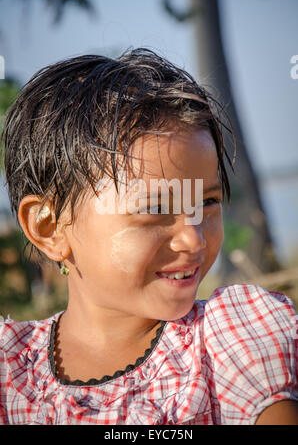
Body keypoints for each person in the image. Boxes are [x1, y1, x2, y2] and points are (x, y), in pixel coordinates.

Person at [0, 49, 297, 425]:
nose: (193, 240)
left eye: (207, 201)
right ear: (49, 226)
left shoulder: (228, 342)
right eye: (155, 210)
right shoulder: (10, 372)